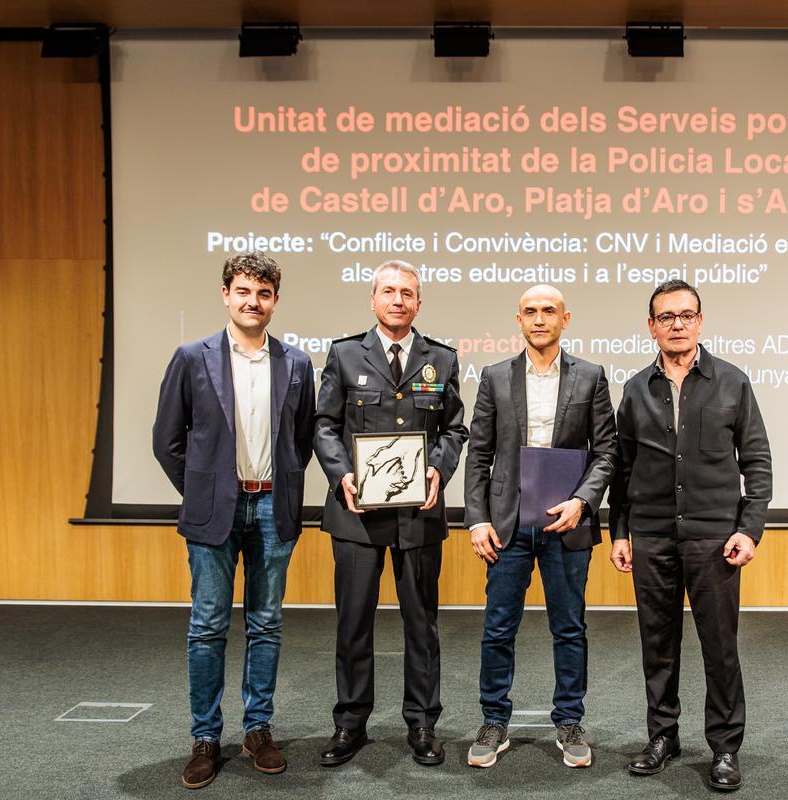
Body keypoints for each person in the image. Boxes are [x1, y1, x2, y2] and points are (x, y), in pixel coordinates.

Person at [152, 252, 316, 789]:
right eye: (243, 291)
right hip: (214, 512)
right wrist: (206, 492)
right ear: (226, 294)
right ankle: (205, 737)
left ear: (275, 301)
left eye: (263, 293)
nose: (253, 301)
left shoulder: (296, 363)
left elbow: (301, 441)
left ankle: (257, 730)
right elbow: (167, 441)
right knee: (207, 626)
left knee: (266, 624)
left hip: (272, 506)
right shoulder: (190, 357)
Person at [608, 279, 772, 792]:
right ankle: (663, 736)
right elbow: (622, 469)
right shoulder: (636, 389)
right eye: (666, 317)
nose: (676, 325)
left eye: (685, 315)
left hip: (714, 539)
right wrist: (619, 532)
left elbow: (757, 462)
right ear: (651, 326)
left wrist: (749, 529)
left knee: (720, 648)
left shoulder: (733, 382)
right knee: (657, 645)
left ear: (700, 322)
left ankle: (724, 747)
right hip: (653, 536)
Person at [313, 259, 468, 767]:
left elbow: (455, 429)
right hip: (357, 513)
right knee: (353, 622)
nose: (397, 300)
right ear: (373, 299)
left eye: (407, 293)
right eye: (388, 291)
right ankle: (350, 723)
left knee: (421, 623)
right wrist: (342, 474)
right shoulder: (344, 354)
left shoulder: (441, 358)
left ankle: (422, 723)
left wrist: (439, 469)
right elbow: (324, 425)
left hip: (418, 514)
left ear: (418, 303)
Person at [463, 285, 617, 769]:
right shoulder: (495, 377)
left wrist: (583, 503)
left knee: (569, 628)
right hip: (506, 525)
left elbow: (606, 451)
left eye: (549, 311)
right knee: (498, 627)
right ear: (519, 320)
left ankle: (569, 721)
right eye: (530, 311)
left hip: (565, 522)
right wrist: (477, 519)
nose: (539, 319)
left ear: (565, 319)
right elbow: (478, 454)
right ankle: (494, 720)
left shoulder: (590, 376)